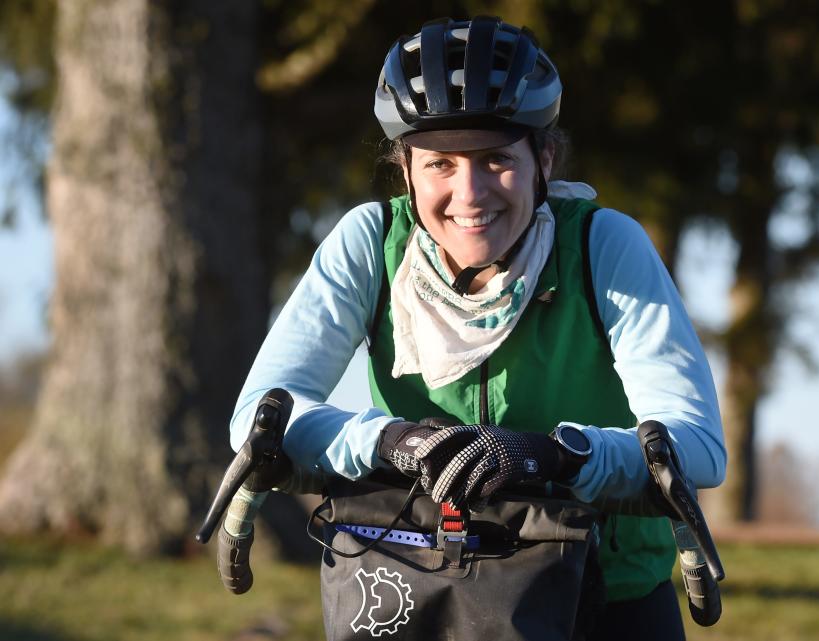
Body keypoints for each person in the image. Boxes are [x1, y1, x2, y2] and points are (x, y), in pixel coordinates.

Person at [228, 15, 725, 641]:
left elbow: (697, 447)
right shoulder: (369, 241)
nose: (469, 193)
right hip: (422, 590)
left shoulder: (605, 245)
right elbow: (257, 419)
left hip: (606, 600)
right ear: (405, 168)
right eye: (440, 164)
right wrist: (390, 442)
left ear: (544, 158)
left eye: (496, 160)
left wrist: (555, 455)